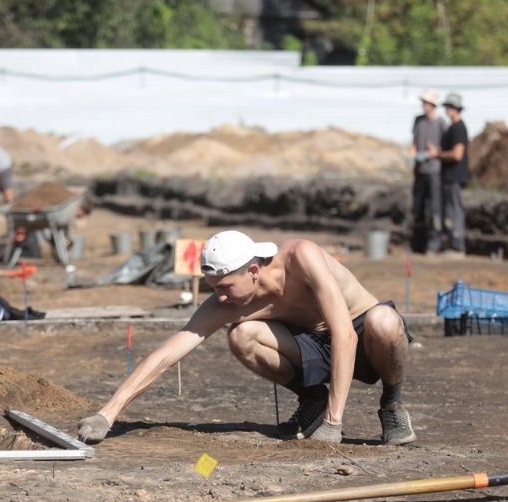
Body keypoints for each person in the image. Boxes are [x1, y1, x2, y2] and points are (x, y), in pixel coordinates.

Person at [77, 230, 415, 446]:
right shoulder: (228, 302)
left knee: (384, 320)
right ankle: (311, 398)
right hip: (310, 344)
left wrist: (334, 423)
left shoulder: (302, 257)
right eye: (214, 290)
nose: (219, 298)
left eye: (225, 287)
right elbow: (167, 354)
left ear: (253, 271)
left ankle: (392, 404)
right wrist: (107, 414)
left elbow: (344, 334)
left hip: (359, 332)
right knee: (242, 335)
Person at [407, 89, 446, 255]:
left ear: (433, 104)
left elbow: (444, 149)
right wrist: (411, 154)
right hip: (420, 170)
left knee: (435, 208)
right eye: (423, 102)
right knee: (418, 208)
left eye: (427, 102)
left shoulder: (442, 124)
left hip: (434, 171)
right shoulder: (418, 121)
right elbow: (414, 143)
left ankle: (433, 243)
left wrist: (433, 153)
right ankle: (417, 243)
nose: (424, 105)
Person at [430, 93, 469, 257]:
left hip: (455, 176)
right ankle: (453, 244)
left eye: (450, 107)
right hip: (447, 176)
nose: (447, 109)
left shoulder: (459, 128)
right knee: (450, 211)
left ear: (457, 109)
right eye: (447, 106)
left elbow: (457, 154)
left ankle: (458, 247)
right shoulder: (451, 127)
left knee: (455, 211)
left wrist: (438, 155)